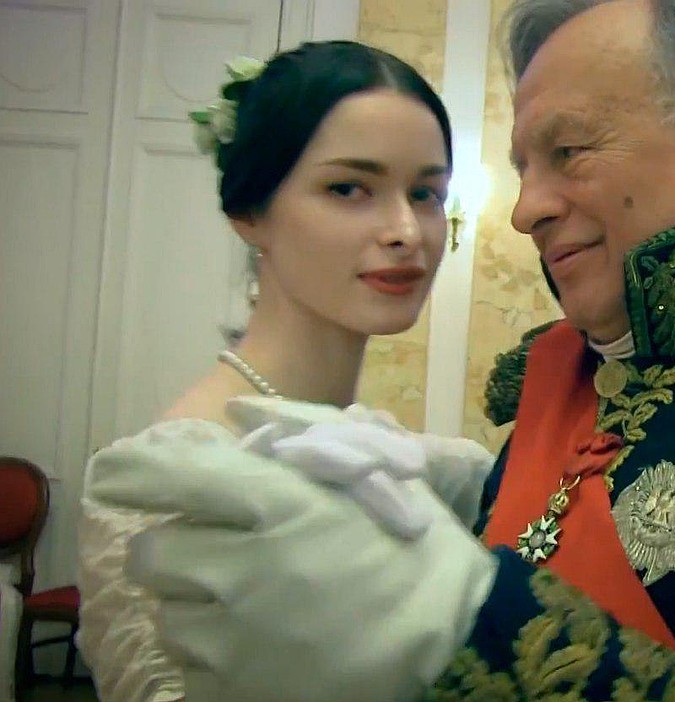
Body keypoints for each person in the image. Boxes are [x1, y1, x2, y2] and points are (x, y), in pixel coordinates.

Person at [85, 1, 675, 700]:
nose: (525, 209)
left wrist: (473, 629)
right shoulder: (561, 377)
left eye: (569, 151)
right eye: (523, 165)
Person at [76, 40, 494, 702]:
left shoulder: (417, 457)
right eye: (348, 189)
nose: (407, 231)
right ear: (250, 212)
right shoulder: (173, 478)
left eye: (425, 193)